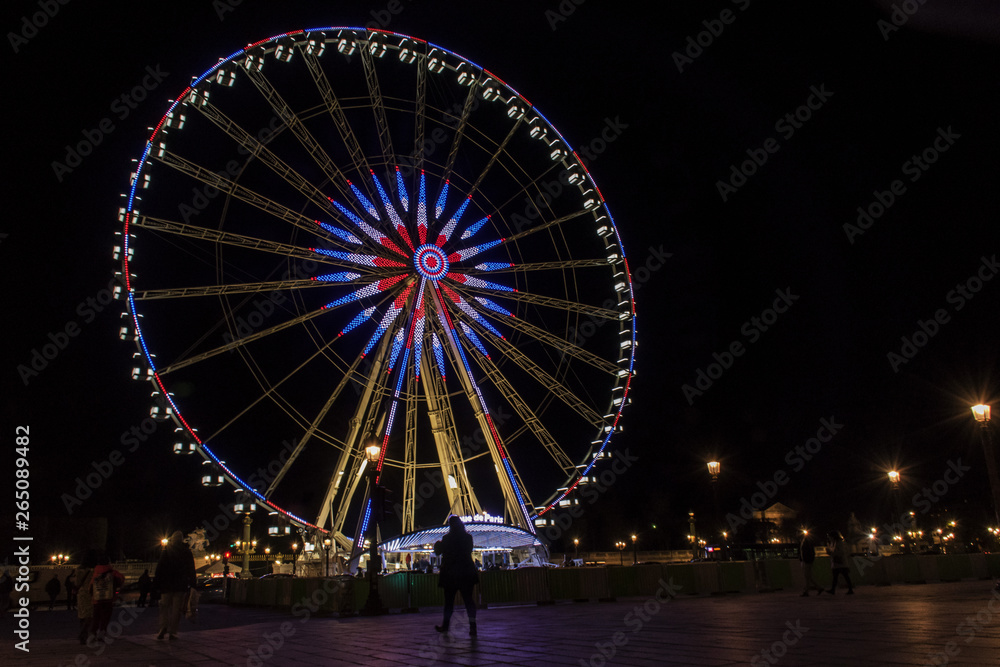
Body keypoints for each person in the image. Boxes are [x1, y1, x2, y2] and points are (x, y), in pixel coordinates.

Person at [433, 515, 479, 636]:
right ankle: (473, 627)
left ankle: (445, 626)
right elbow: (469, 551)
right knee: (469, 601)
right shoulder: (468, 537)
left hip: (450, 574)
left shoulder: (446, 538)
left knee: (449, 602)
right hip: (466, 572)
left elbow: (438, 552)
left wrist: (439, 545)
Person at [154, 531, 196, 640]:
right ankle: (173, 632)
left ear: (172, 539)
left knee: (164, 607)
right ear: (181, 540)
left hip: (166, 584)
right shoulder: (186, 552)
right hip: (180, 584)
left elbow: (160, 568)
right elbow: (191, 569)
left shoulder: (166, 551)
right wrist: (193, 583)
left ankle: (163, 627)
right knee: (176, 609)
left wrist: (157, 583)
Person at [90, 555, 124, 640]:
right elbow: (121, 580)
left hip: (97, 600)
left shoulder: (96, 573)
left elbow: (90, 588)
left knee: (96, 617)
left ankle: (93, 633)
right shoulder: (113, 573)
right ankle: (102, 632)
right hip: (108, 599)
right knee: (105, 618)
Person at [75, 551, 97, 644]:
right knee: (90, 615)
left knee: (82, 616)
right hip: (91, 593)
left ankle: (83, 636)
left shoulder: (79, 570)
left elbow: (77, 583)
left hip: (81, 593)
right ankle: (84, 634)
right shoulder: (93, 570)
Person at [826, 530, 854, 595]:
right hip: (839, 563)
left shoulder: (839, 543)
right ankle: (834, 589)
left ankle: (834, 590)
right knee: (841, 576)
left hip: (840, 562)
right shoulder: (836, 542)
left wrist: (831, 553)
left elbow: (840, 552)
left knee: (842, 576)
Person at [798, 532, 823, 596]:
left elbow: (804, 552)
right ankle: (818, 588)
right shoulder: (807, 542)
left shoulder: (805, 543)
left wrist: (804, 560)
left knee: (807, 577)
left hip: (806, 561)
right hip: (807, 561)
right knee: (808, 576)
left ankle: (807, 591)